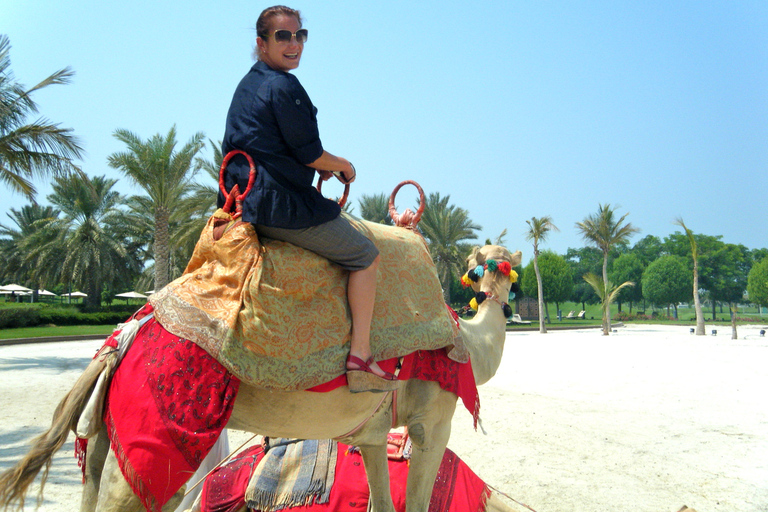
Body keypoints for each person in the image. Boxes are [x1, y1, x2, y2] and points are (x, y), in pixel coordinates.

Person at [218, 6, 394, 392]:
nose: (294, 43)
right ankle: (360, 357)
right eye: (283, 36)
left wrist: (316, 165)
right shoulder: (283, 86)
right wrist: (343, 166)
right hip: (277, 207)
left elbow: (277, 148)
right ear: (261, 43)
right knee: (366, 255)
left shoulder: (250, 83)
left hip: (243, 200)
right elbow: (310, 152)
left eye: (300, 35)